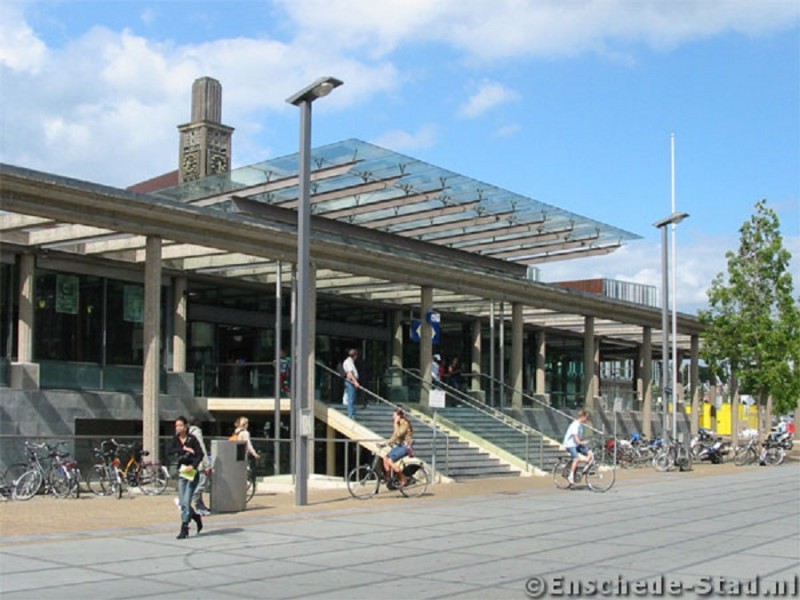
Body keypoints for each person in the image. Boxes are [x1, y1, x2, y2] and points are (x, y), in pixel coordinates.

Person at [170, 415, 205, 539]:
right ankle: (195, 516)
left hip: (191, 472)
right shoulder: (176, 439)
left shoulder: (192, 439)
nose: (178, 428)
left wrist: (194, 465)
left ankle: (184, 528)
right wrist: (183, 449)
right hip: (182, 471)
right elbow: (170, 450)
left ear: (185, 426)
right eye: (176, 426)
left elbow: (200, 454)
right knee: (182, 502)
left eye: (180, 425)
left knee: (186, 500)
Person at [382, 408, 414, 487]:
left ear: (399, 416)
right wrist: (385, 443)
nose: (393, 417)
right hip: (400, 445)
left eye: (395, 416)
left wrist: (395, 423)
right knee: (385, 458)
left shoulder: (405, 424)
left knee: (390, 461)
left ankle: (403, 478)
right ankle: (389, 479)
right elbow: (394, 437)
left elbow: (398, 434)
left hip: (406, 447)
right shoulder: (399, 423)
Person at [563, 409, 593, 484]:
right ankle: (571, 476)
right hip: (570, 444)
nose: (587, 419)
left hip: (576, 444)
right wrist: (581, 442)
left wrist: (585, 443)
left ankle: (584, 471)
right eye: (586, 418)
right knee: (576, 459)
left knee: (591, 454)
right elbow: (576, 437)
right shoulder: (575, 425)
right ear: (582, 417)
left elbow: (580, 438)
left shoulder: (581, 425)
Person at [189, 418, 211, 516]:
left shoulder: (187, 433)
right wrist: (207, 465)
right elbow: (202, 449)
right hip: (198, 464)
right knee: (201, 484)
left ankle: (195, 505)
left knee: (188, 485)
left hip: (188, 463)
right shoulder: (197, 433)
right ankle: (198, 506)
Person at [342, 348, 360, 419]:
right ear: (354, 355)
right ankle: (351, 415)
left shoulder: (350, 361)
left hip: (351, 381)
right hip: (350, 382)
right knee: (351, 398)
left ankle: (352, 413)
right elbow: (350, 373)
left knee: (351, 398)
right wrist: (355, 382)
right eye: (356, 356)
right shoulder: (348, 362)